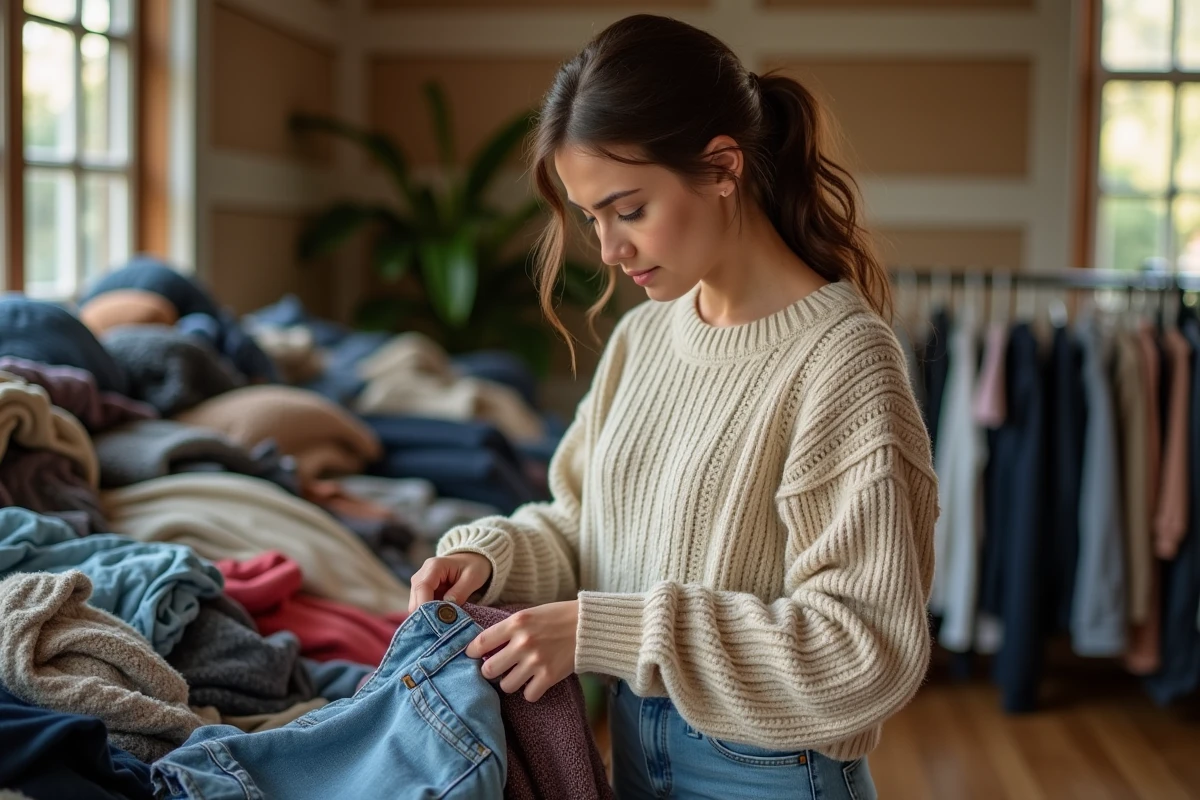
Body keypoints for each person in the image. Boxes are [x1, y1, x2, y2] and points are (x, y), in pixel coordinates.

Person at [408, 13, 937, 800]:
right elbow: (585, 529)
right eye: (591, 218)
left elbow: (864, 651)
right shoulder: (644, 338)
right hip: (633, 749)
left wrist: (601, 630)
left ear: (722, 167)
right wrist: (491, 559)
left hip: (768, 774)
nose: (608, 250)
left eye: (628, 210)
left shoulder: (843, 360)